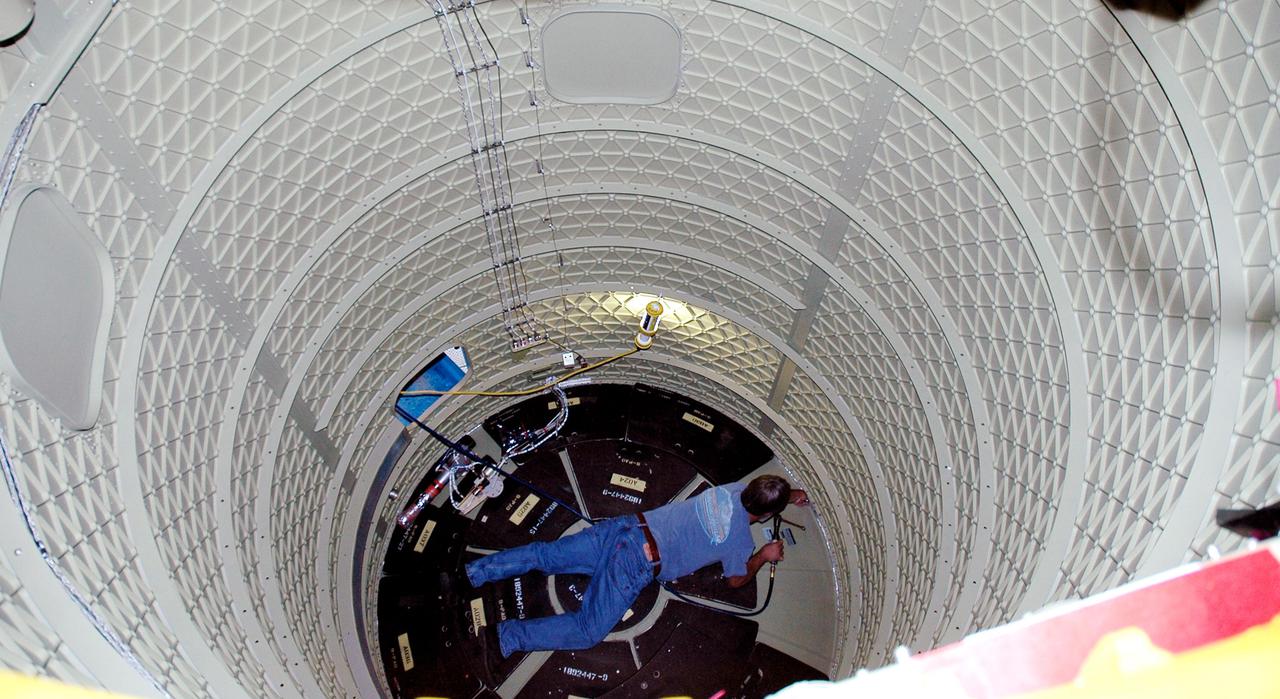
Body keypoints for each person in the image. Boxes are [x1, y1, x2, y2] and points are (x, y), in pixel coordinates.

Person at [464, 474, 810, 658]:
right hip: (636, 562)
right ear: (766, 515)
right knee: (587, 632)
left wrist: (791, 493)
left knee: (545, 556)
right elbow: (736, 580)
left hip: (625, 527)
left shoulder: (734, 489)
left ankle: (474, 573)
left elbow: (763, 492)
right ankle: (505, 638)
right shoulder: (739, 543)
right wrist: (764, 556)